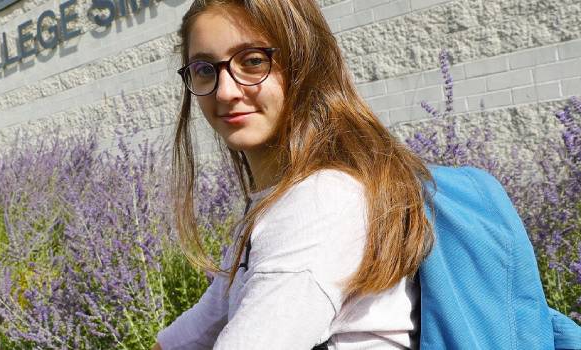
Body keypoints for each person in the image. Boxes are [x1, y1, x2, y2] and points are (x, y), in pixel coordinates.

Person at [155, 0, 434, 348]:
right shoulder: (275, 201)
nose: (225, 92)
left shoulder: (319, 202)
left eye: (253, 61)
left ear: (305, 61)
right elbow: (200, 325)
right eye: (205, 69)